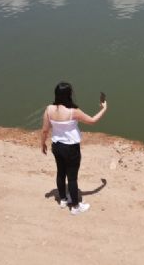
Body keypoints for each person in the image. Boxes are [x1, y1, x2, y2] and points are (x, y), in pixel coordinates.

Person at [40, 81, 108, 215]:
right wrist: (104, 108)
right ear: (69, 95)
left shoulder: (49, 109)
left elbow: (44, 130)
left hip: (57, 146)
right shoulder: (73, 112)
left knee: (60, 173)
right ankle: (76, 207)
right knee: (72, 178)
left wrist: (42, 144)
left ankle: (63, 200)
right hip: (71, 149)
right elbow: (92, 121)